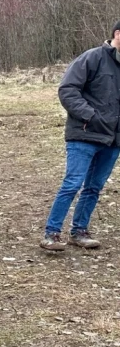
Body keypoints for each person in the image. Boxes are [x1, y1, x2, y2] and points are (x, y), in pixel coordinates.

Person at [39, 21, 120, 252]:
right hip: (84, 135)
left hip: (113, 140)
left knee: (94, 187)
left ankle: (79, 231)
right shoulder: (92, 58)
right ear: (117, 34)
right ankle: (51, 233)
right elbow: (67, 89)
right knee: (72, 184)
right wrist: (90, 116)